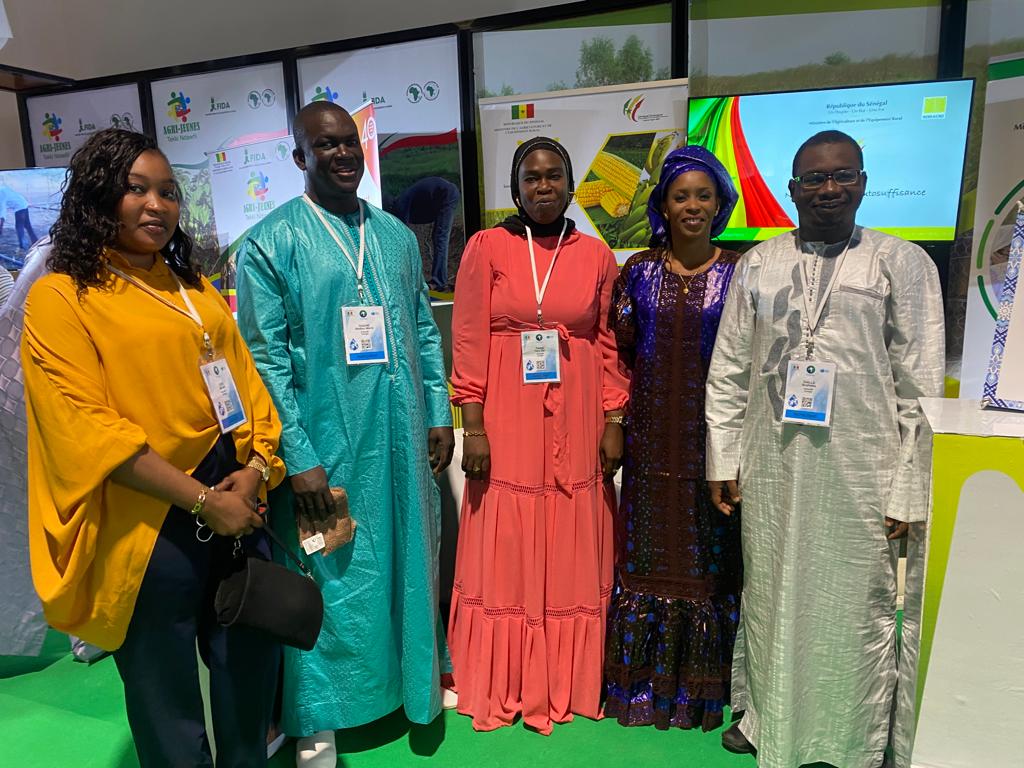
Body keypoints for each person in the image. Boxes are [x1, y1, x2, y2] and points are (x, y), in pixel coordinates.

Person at [21, 128, 286, 766]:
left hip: (236, 505)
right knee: (166, 708)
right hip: (146, 527)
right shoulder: (61, 297)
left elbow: (248, 388)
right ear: (98, 197)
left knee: (248, 682)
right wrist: (204, 502)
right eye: (136, 189)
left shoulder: (193, 288)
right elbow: (87, 429)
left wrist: (256, 468)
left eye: (168, 192)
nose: (157, 205)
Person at [705, 130, 943, 768]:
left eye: (843, 176)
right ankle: (766, 717)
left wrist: (908, 485)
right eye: (814, 178)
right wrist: (722, 459)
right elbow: (728, 370)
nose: (829, 188)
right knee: (770, 592)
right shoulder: (759, 264)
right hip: (772, 466)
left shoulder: (901, 263)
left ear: (864, 183)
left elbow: (920, 387)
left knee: (852, 602)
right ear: (792, 189)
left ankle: (846, 739)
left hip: (862, 470)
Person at [235, 101, 455, 768]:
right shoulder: (271, 242)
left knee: (408, 559)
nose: (342, 154)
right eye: (325, 145)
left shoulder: (393, 237)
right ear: (299, 157)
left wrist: (438, 410)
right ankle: (318, 719)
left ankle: (414, 688)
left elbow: (423, 330)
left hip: (400, 439)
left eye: (349, 142)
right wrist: (298, 457)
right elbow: (264, 362)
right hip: (324, 450)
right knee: (329, 569)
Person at [448, 136, 630, 734]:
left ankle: (571, 677)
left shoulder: (597, 256)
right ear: (516, 188)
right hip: (507, 417)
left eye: (554, 176)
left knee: (573, 525)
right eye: (532, 177)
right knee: (509, 528)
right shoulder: (487, 247)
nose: (543, 186)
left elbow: (608, 345)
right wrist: (473, 425)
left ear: (572, 186)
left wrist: (614, 419)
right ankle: (508, 677)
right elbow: (469, 338)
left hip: (578, 415)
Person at [605, 145, 742, 732]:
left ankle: (705, 691)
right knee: (646, 558)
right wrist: (614, 423)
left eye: (703, 195)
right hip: (650, 443)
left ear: (720, 204)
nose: (692, 206)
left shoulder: (741, 271)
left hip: (715, 443)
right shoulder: (638, 271)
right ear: (662, 204)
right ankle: (641, 688)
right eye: (680, 195)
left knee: (712, 560)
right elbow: (618, 354)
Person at [384, 176, 460, 291]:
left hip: (446, 195)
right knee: (438, 237)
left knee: (441, 238)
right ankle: (439, 280)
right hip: (439, 198)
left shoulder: (400, 206)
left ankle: (439, 281)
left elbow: (403, 239)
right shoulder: (402, 203)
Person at [0, 184, 39, 250]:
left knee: (19, 227)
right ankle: (36, 241)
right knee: (27, 225)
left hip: (19, 206)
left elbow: (2, 209)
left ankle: (23, 246)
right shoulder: (2, 188)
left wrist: (1, 225)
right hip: (23, 203)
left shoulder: (1, 192)